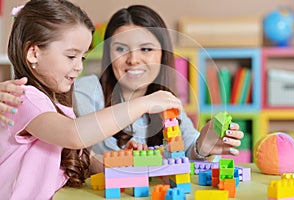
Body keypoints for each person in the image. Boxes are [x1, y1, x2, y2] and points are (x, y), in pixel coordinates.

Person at [0, 1, 181, 199]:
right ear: (34, 53)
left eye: (82, 58)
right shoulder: (25, 98)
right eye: (71, 56)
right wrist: (144, 104)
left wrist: (123, 161)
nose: (79, 67)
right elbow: (74, 134)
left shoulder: (56, 104)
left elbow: (81, 156)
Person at [73, 5, 244, 160]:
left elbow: (188, 146)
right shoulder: (86, 91)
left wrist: (202, 147)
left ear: (163, 54)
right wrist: (123, 159)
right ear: (108, 54)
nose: (133, 60)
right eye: (121, 49)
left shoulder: (164, 100)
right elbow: (77, 139)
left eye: (146, 49)